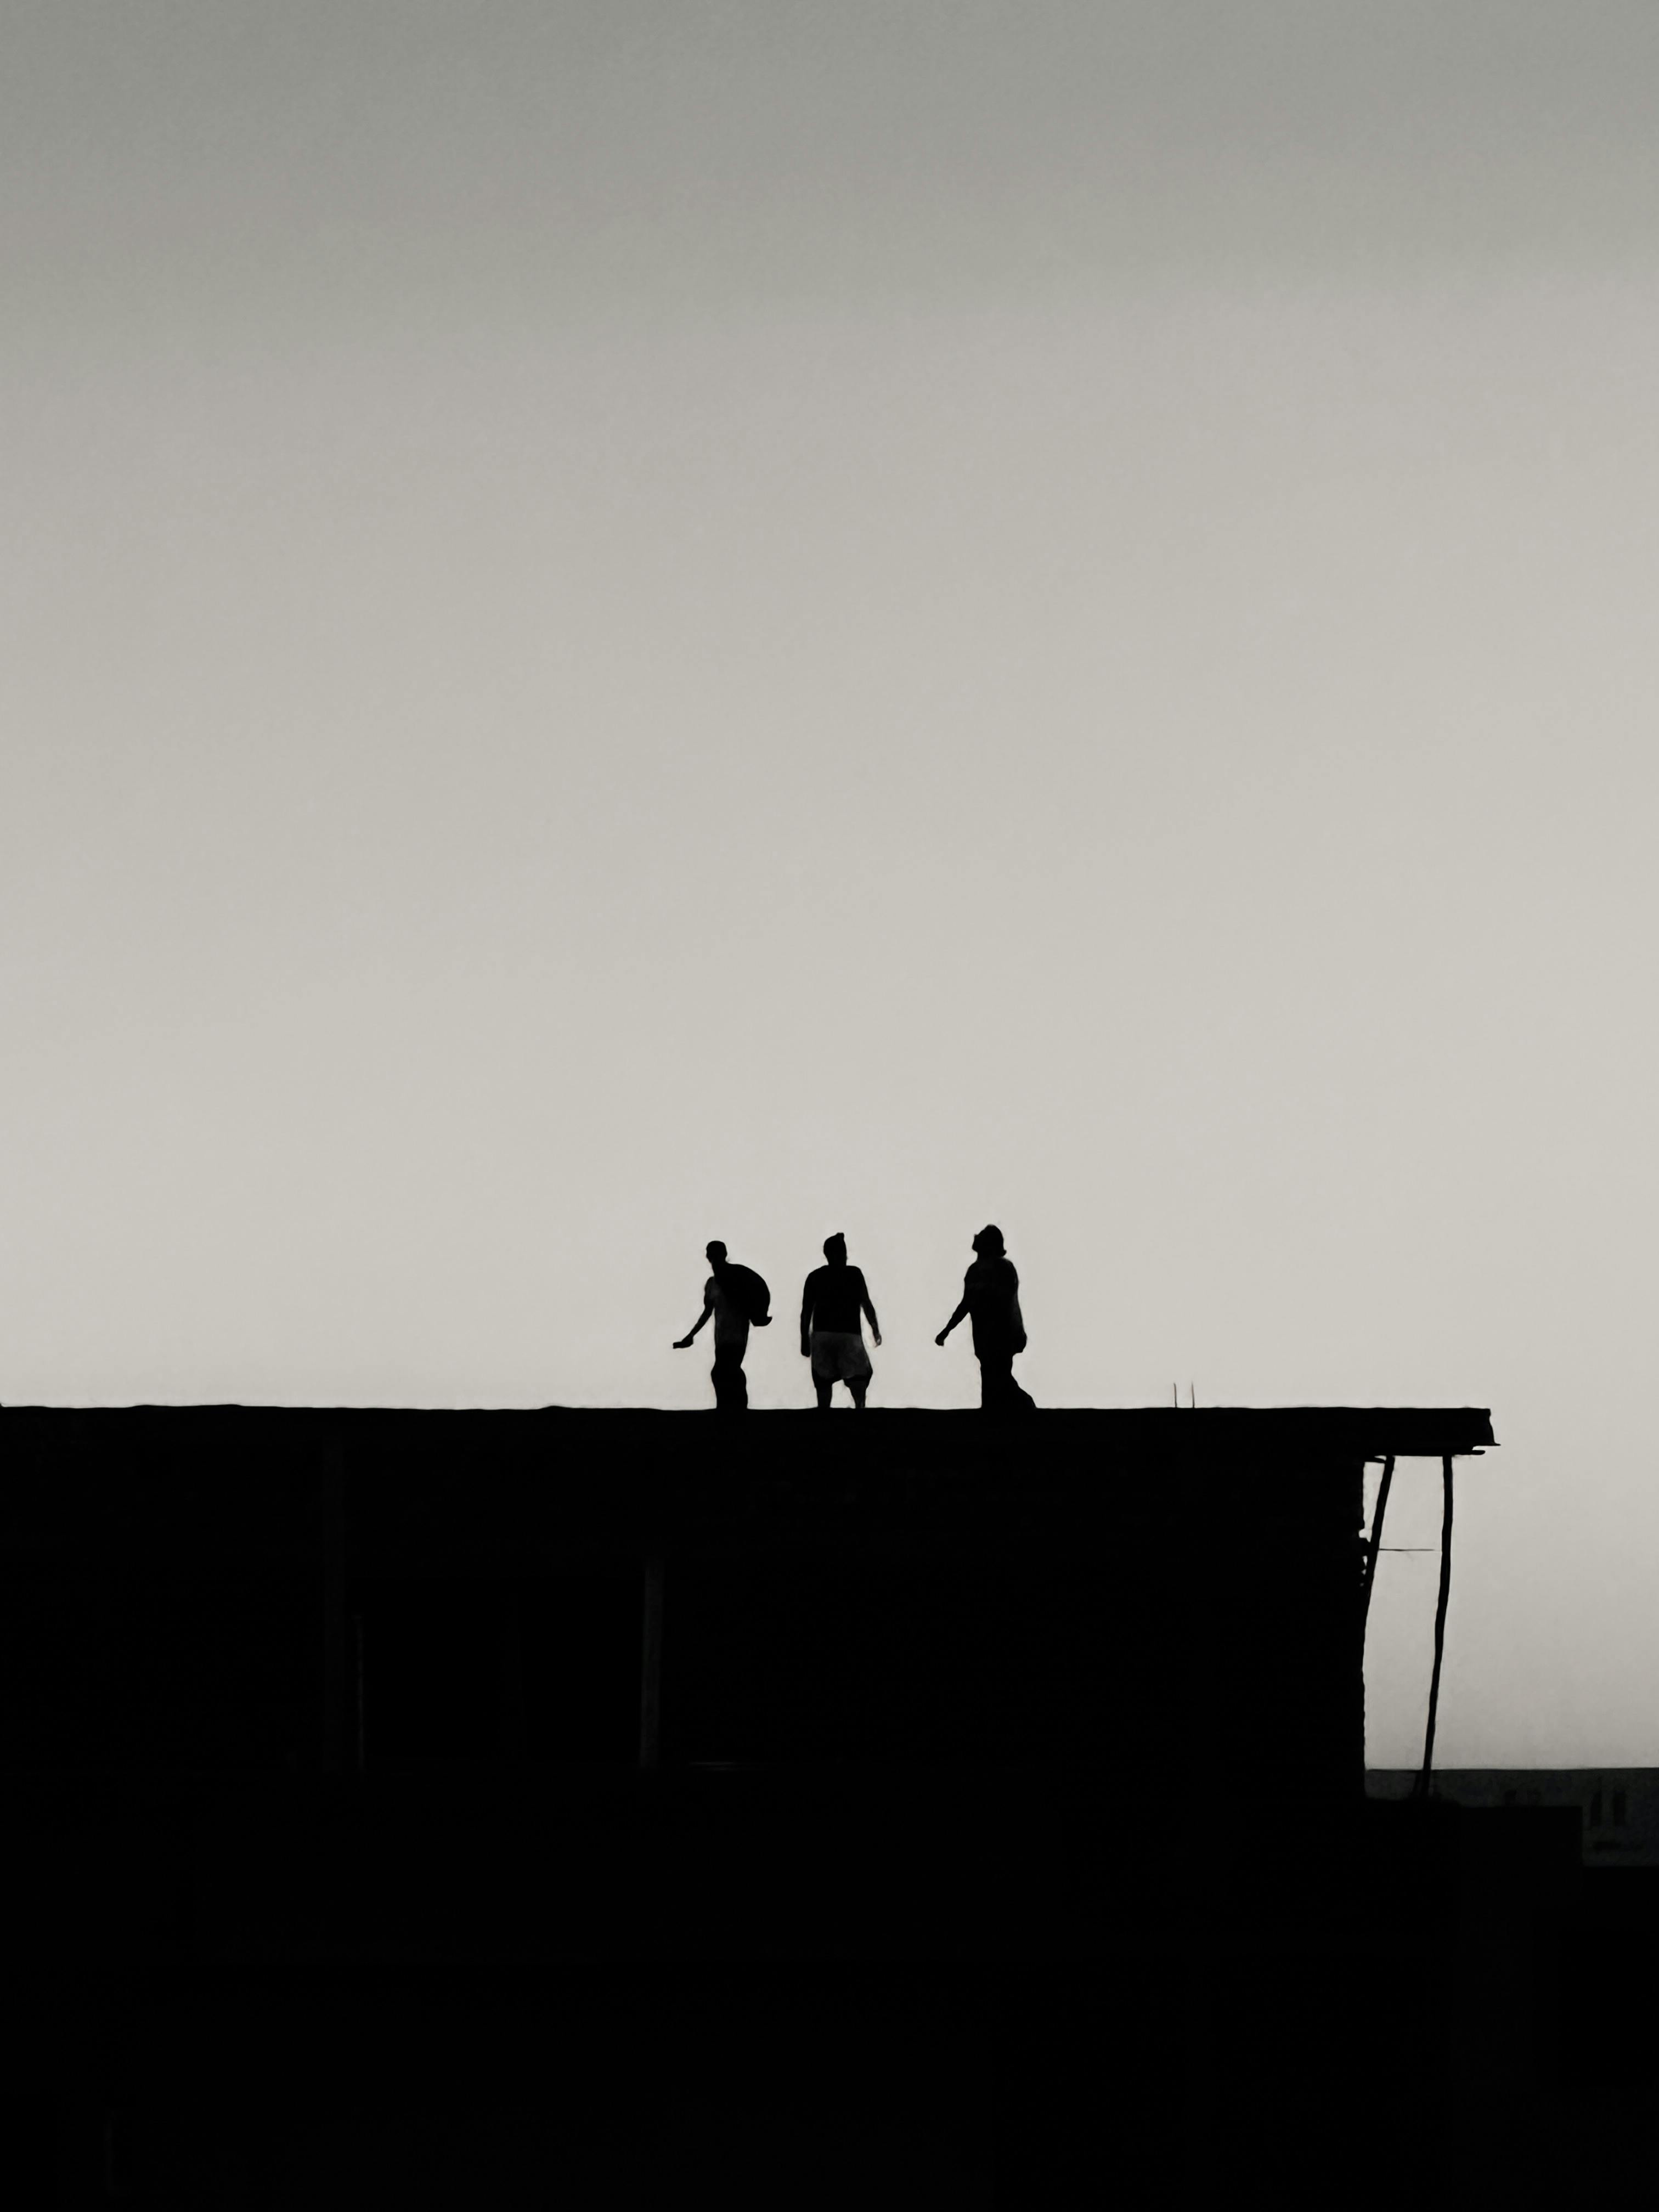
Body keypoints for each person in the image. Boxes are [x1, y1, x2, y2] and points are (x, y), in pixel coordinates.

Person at [935, 1224, 1035, 1413]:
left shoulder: (985, 1270)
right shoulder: (993, 1269)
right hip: (995, 1336)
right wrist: (947, 1330)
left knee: (997, 1377)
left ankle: (1022, 1406)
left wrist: (947, 1330)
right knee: (994, 1376)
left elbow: (971, 1304)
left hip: (995, 1335)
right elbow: (968, 1304)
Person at [799, 1233, 882, 1410]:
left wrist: (804, 1339)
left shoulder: (815, 1277)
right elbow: (866, 1304)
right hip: (848, 1335)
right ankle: (859, 1408)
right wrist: (875, 1329)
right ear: (842, 1253)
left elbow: (806, 1312)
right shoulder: (854, 1274)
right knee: (859, 1379)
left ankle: (825, 1413)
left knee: (823, 1383)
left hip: (822, 1336)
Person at [674, 1241, 759, 1411]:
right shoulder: (712, 1284)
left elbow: (751, 1298)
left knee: (723, 1371)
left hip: (737, 1333)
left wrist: (757, 1316)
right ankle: (730, 1407)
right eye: (711, 1254)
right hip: (721, 1336)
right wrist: (690, 1336)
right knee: (726, 1372)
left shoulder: (737, 1278)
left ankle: (735, 1406)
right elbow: (707, 1312)